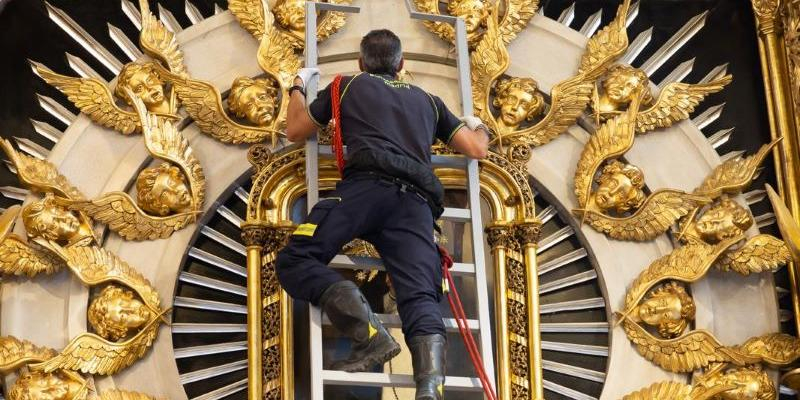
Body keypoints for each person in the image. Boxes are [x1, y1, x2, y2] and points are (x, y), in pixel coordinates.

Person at [274, 29, 489, 400]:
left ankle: (368, 335)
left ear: (361, 63)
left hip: (364, 191)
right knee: (422, 296)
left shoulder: (347, 84)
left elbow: (295, 129)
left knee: (296, 259)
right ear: (401, 64)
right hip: (415, 206)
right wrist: (477, 125)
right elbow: (476, 149)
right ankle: (430, 389)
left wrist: (297, 85)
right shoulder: (429, 100)